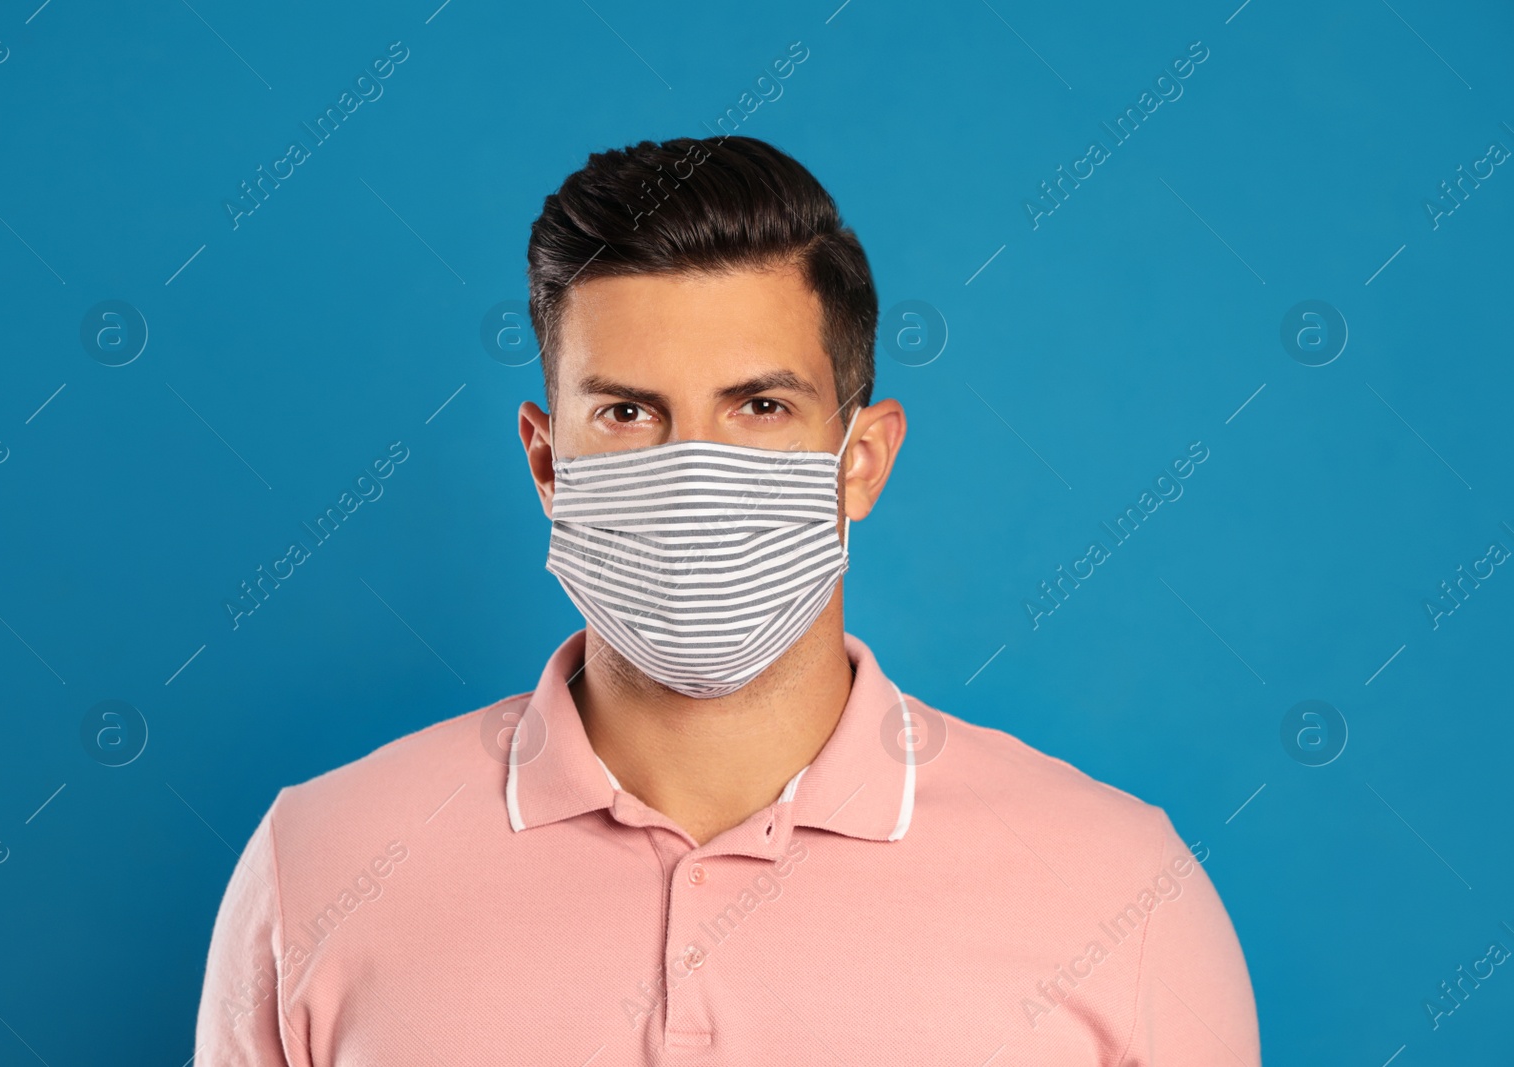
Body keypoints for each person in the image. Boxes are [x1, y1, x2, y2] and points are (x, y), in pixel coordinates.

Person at [195, 135, 1259, 1065]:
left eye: (758, 405)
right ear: (546, 459)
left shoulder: (1119, 888)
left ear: (862, 458)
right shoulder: (320, 860)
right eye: (626, 411)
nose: (693, 473)